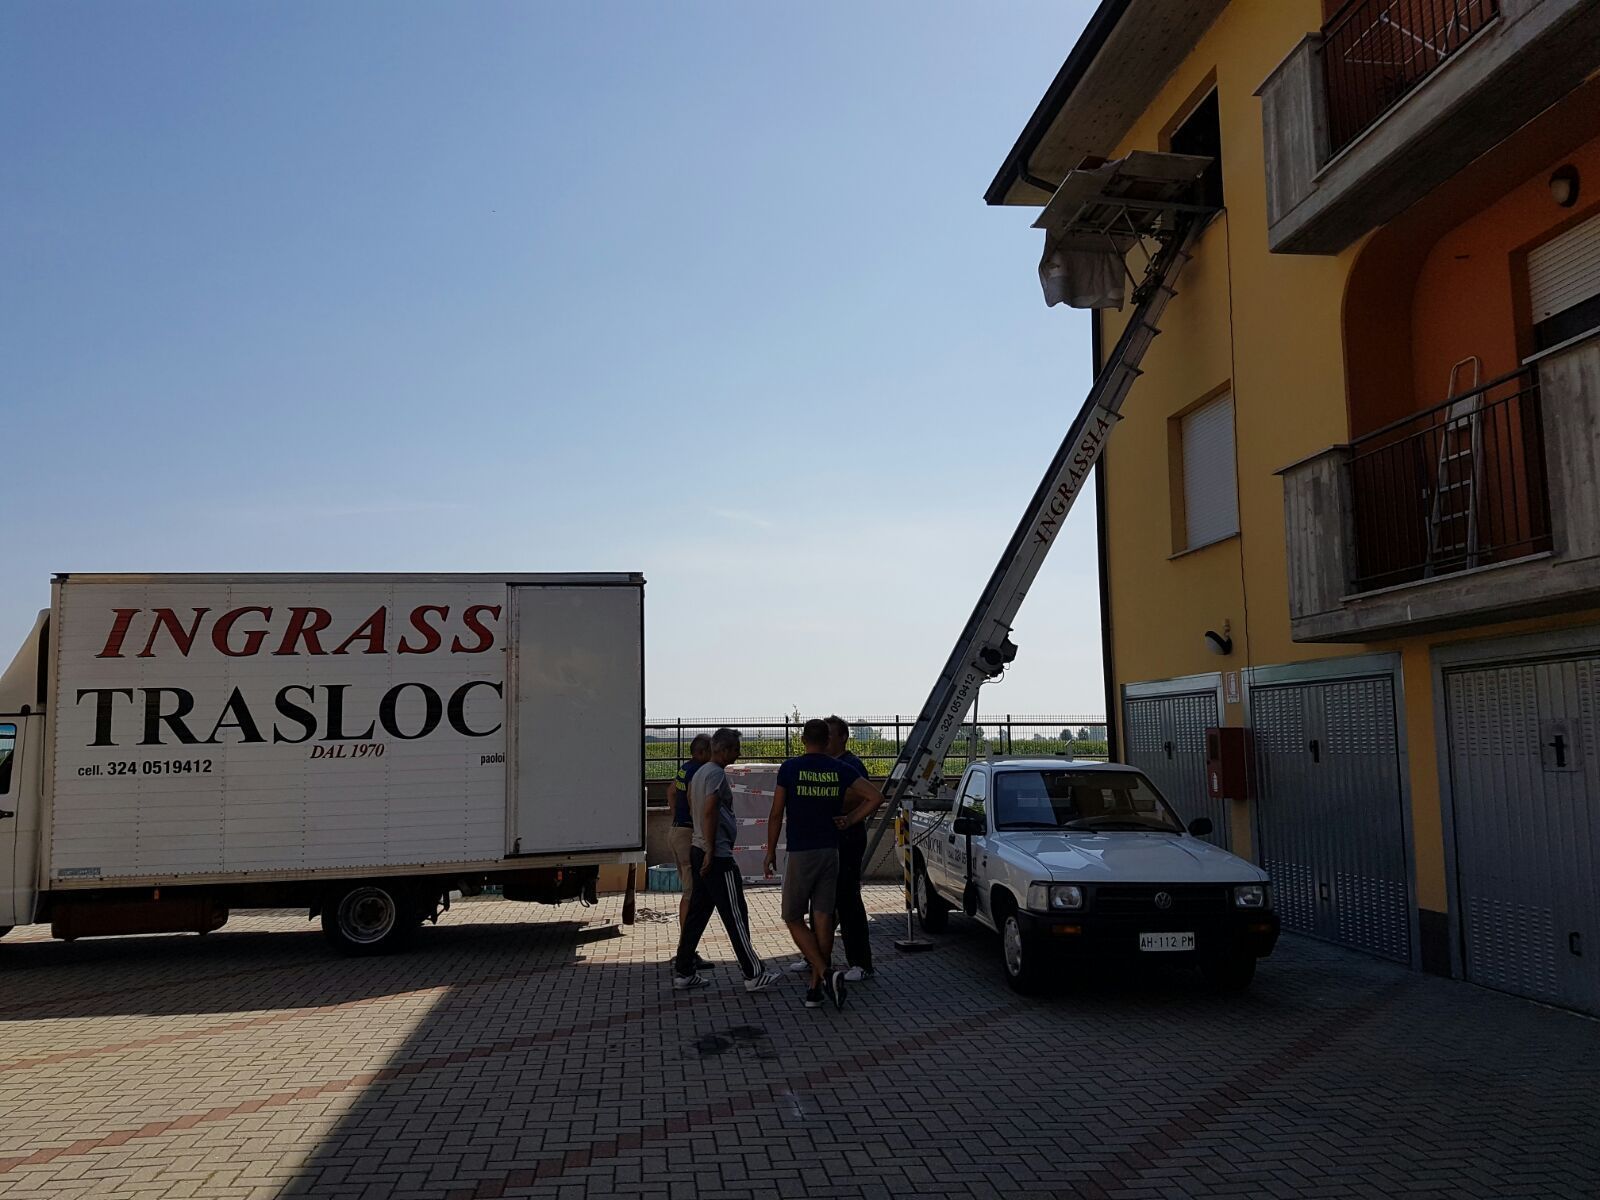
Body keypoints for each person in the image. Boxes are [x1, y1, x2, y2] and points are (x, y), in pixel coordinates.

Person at [765, 719, 884, 1010]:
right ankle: (815, 989)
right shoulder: (840, 769)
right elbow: (876, 796)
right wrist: (850, 819)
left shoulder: (791, 768)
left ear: (802, 739)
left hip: (802, 850)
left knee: (793, 916)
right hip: (831, 850)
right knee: (824, 916)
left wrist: (769, 851)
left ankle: (824, 970)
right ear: (825, 739)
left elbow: (776, 813)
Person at [672, 728, 779, 993]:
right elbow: (709, 811)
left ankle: (684, 970)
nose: (739, 754)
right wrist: (710, 848)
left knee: (698, 912)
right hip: (716, 855)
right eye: (735, 749)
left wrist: (702, 844)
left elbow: (686, 799)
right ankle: (753, 972)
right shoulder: (717, 774)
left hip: (699, 849)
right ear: (723, 750)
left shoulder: (698, 774)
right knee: (735, 913)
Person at [825, 714, 880, 982]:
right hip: (825, 842)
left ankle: (861, 963)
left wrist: (848, 820)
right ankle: (815, 956)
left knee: (848, 901)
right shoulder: (822, 765)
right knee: (825, 901)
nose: (825, 740)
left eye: (829, 735)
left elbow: (868, 797)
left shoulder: (851, 765)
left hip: (848, 841)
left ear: (842, 737)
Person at [665, 734, 712, 933]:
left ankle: (687, 947)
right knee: (691, 892)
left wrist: (677, 816)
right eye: (710, 751)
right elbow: (696, 802)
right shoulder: (698, 772)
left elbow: (671, 791)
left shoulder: (684, 769)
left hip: (676, 831)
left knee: (689, 891)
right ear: (701, 752)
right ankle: (687, 946)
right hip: (686, 835)